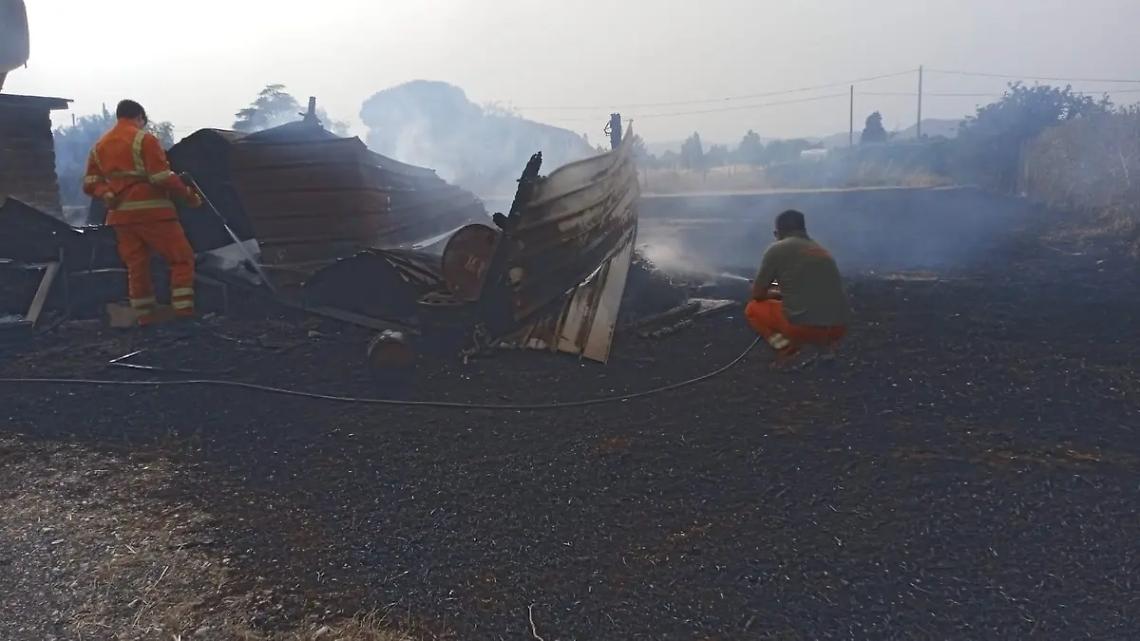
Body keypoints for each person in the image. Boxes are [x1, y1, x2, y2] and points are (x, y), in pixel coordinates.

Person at [83, 99, 203, 327]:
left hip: (120, 218)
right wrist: (188, 196)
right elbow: (160, 177)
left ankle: (145, 318)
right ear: (139, 117)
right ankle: (184, 315)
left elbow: (90, 183)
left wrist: (106, 192)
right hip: (154, 214)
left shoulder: (100, 146)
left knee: (137, 266)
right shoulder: (144, 139)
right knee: (181, 259)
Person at [746, 209, 851, 360]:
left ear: (778, 233)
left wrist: (767, 290)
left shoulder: (777, 249)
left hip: (805, 329)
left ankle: (787, 350)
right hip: (838, 329)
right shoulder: (821, 250)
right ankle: (825, 349)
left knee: (753, 309)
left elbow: (757, 294)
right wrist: (777, 289)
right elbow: (802, 286)